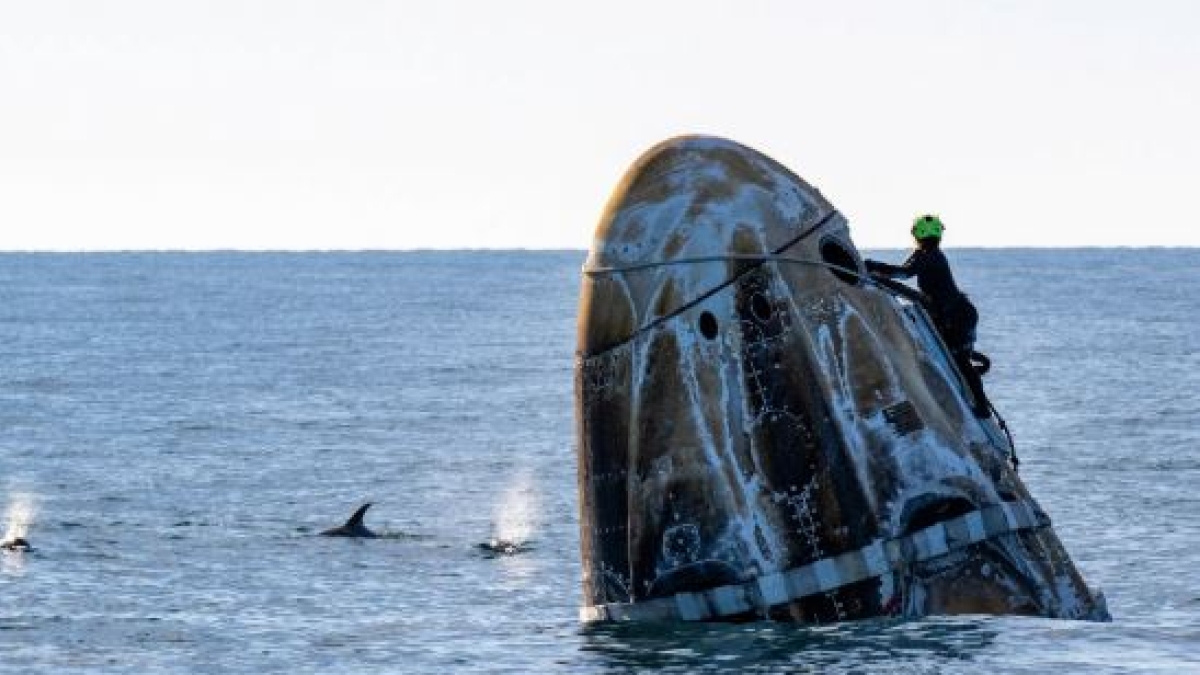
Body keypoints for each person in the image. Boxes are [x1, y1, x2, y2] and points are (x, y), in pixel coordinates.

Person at [865, 215, 992, 418]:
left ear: (918, 234)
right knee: (959, 359)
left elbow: (905, 273)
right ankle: (974, 394)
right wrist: (878, 272)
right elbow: (901, 272)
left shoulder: (929, 256)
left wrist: (872, 265)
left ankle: (983, 408)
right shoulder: (924, 253)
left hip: (959, 316)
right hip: (958, 314)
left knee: (961, 361)